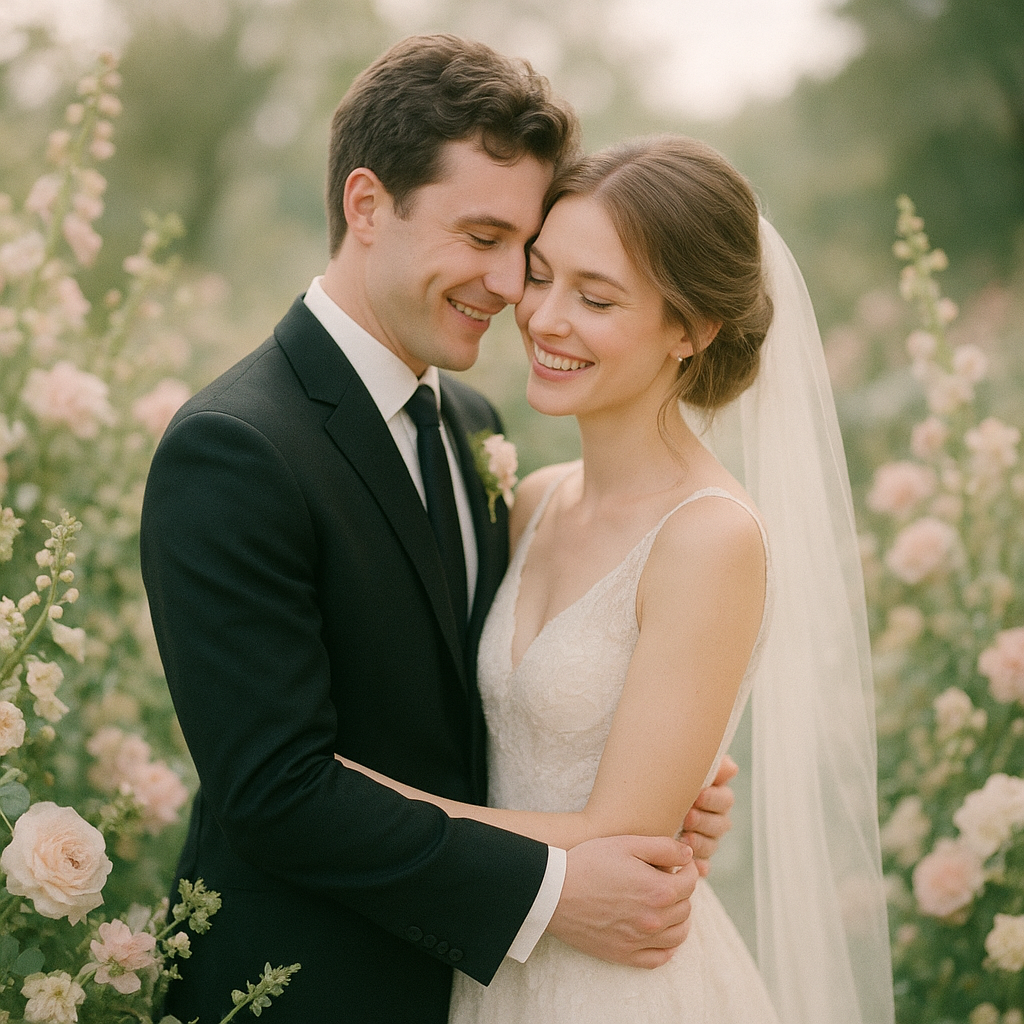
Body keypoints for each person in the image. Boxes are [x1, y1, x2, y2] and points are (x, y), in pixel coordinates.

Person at [139, 35, 736, 1024]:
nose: (511, 288)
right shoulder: (234, 446)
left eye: (528, 252)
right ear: (367, 206)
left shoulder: (473, 427)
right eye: (482, 237)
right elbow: (274, 791)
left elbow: (482, 697)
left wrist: (660, 782)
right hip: (305, 988)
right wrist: (555, 882)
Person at [339, 136, 896, 1023]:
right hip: (489, 956)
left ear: (692, 330)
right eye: (543, 274)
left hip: (617, 978)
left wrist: (362, 804)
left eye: (595, 297)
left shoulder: (709, 537)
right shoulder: (531, 500)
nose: (545, 318)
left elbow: (620, 838)